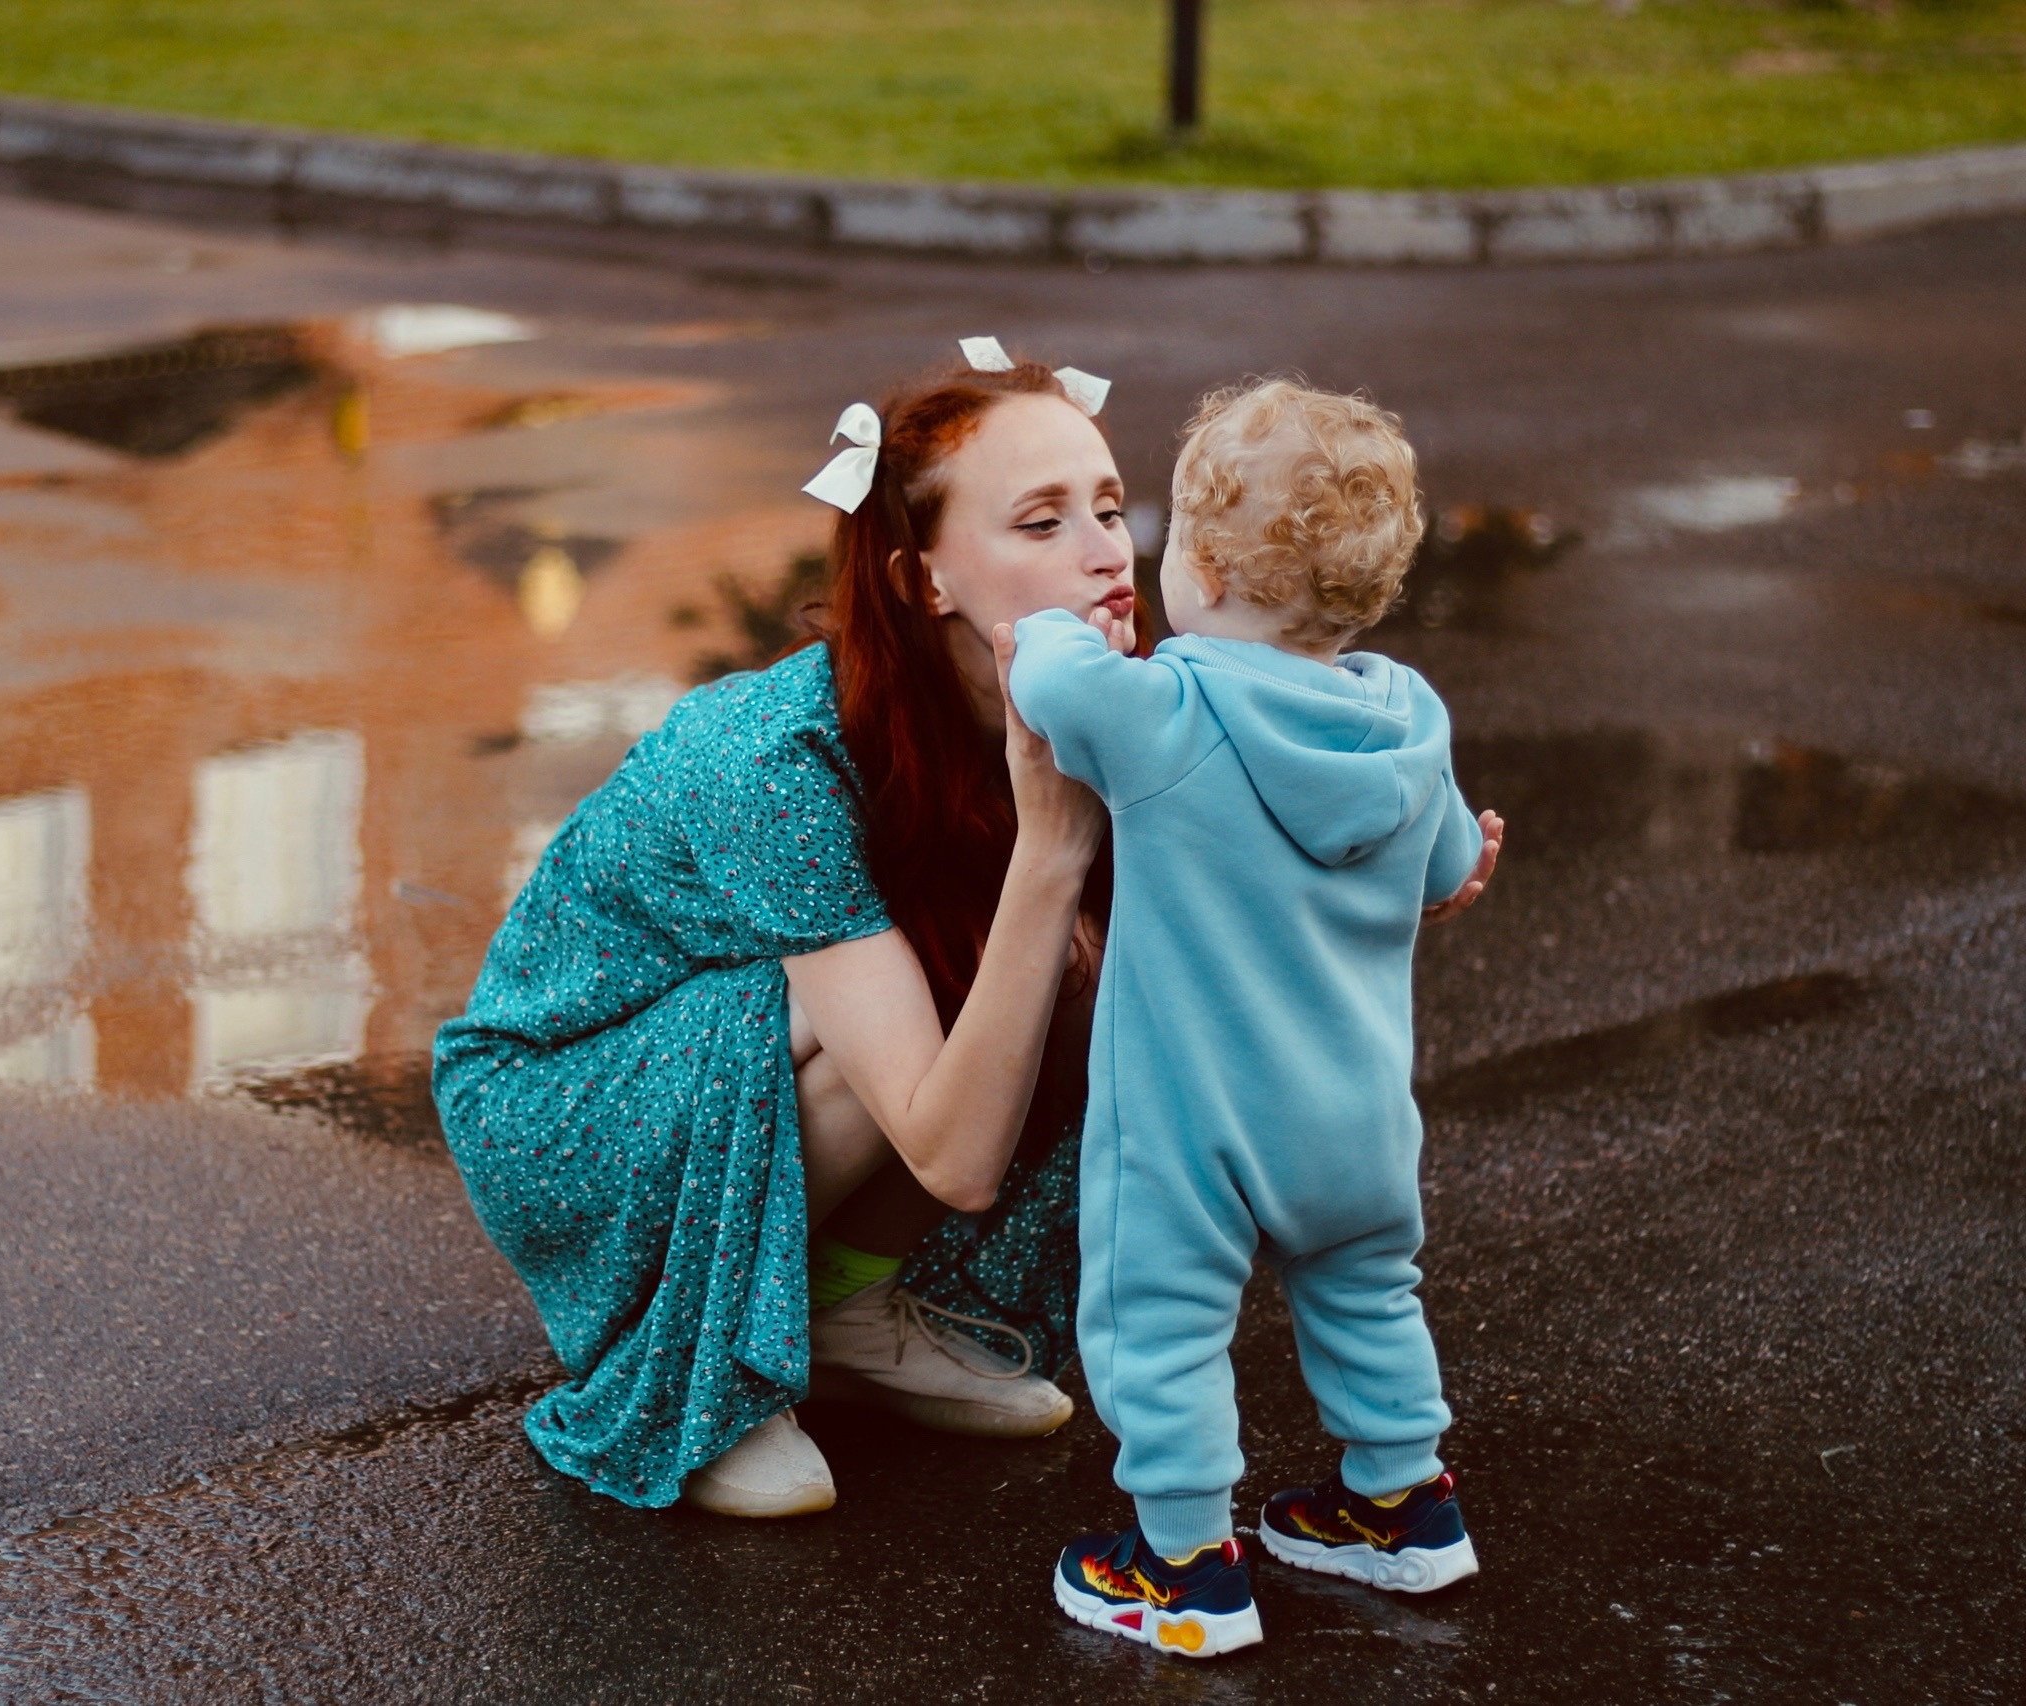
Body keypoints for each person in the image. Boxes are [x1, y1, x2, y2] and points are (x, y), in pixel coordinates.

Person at [432, 349, 1500, 1521]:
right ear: (923, 576)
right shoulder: (772, 758)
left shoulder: (1095, 698)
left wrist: (1389, 879)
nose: (1104, 552)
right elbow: (957, 1156)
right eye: (1040, 522)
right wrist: (1049, 849)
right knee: (947, 978)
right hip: (571, 1098)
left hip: (772, 1060)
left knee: (1093, 969)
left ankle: (840, 1304)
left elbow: (1219, 889)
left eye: (1106, 508)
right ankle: (709, 1367)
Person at [1009, 379, 1504, 1657]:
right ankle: (1401, 1503)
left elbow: (1053, 676)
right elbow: (1449, 865)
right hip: (1354, 1122)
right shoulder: (1407, 721)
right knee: (1366, 1292)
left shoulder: (1164, 711)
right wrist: (1449, 866)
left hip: (1195, 1126)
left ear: (1208, 564)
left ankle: (1183, 1564)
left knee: (1158, 1320)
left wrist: (1058, 613)